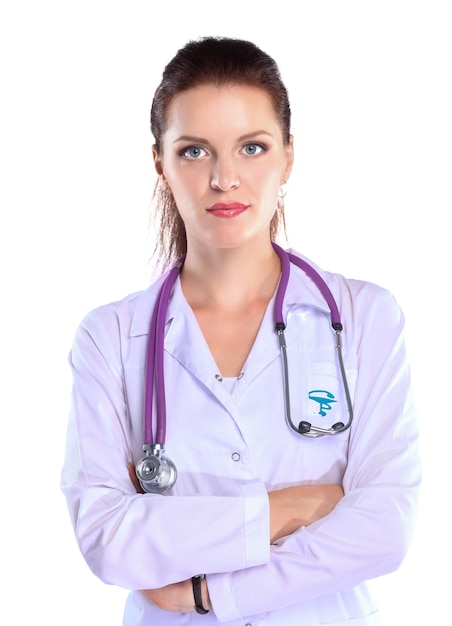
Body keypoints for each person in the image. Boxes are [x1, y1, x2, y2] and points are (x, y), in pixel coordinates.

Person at [61, 36, 421, 625]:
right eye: (195, 151)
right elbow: (108, 538)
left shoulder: (365, 318)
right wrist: (291, 507)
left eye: (251, 147)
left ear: (288, 157)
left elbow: (385, 527)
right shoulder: (110, 337)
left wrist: (211, 594)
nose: (225, 179)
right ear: (161, 163)